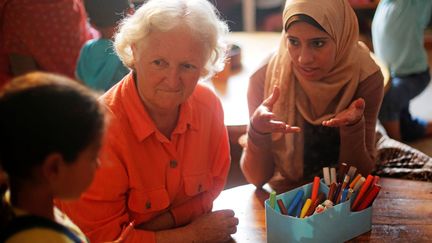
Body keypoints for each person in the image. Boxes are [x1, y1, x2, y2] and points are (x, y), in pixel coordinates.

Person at [56, 0, 238, 242]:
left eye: (187, 66)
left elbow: (211, 190)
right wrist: (190, 234)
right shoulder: (96, 132)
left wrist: (161, 223)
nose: (172, 81)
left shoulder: (208, 106)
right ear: (134, 51)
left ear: (204, 65)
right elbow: (102, 239)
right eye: (159, 63)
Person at [240, 0, 384, 192]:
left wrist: (353, 129)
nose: (303, 58)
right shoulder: (265, 76)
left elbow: (358, 177)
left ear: (341, 36)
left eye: (318, 43)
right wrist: (257, 133)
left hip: (343, 193)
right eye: (293, 41)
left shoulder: (365, 77)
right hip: (288, 190)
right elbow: (256, 179)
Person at [0, 72, 106, 242]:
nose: (98, 165)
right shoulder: (41, 239)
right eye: (93, 157)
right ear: (53, 168)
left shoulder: (14, 203)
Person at [372, 0, 432, 142]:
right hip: (392, 73)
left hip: (412, 75)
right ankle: (411, 127)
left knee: (388, 102)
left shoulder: (409, 4)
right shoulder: (384, 4)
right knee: (405, 124)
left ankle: (395, 146)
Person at [1, 0, 95, 79]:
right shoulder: (72, 5)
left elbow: (24, 75)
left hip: (48, 92)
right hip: (82, 85)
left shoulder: (17, 11)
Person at [76, 0, 133, 91]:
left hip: (92, 103)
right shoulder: (130, 50)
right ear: (130, 12)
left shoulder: (87, 49)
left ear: (92, 24)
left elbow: (80, 83)